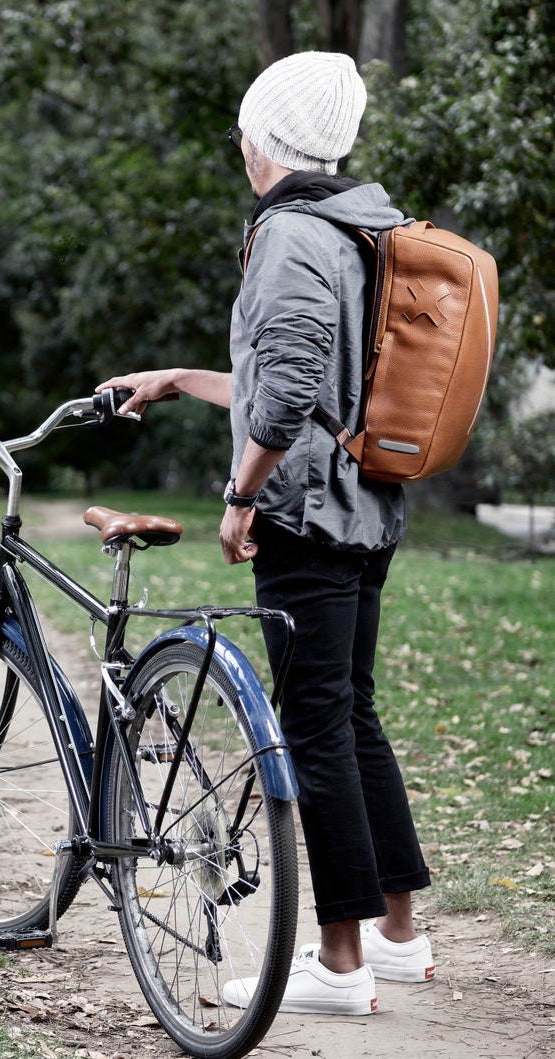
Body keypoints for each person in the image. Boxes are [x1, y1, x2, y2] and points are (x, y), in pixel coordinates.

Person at [97, 51, 433, 1016]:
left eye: (245, 132)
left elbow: (286, 392)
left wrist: (241, 495)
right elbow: (306, 383)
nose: (241, 147)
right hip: (367, 503)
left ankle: (339, 961)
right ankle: (397, 935)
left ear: (266, 142)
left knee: (314, 725)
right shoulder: (366, 226)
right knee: (350, 710)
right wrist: (177, 378)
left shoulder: (290, 232)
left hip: (308, 516)